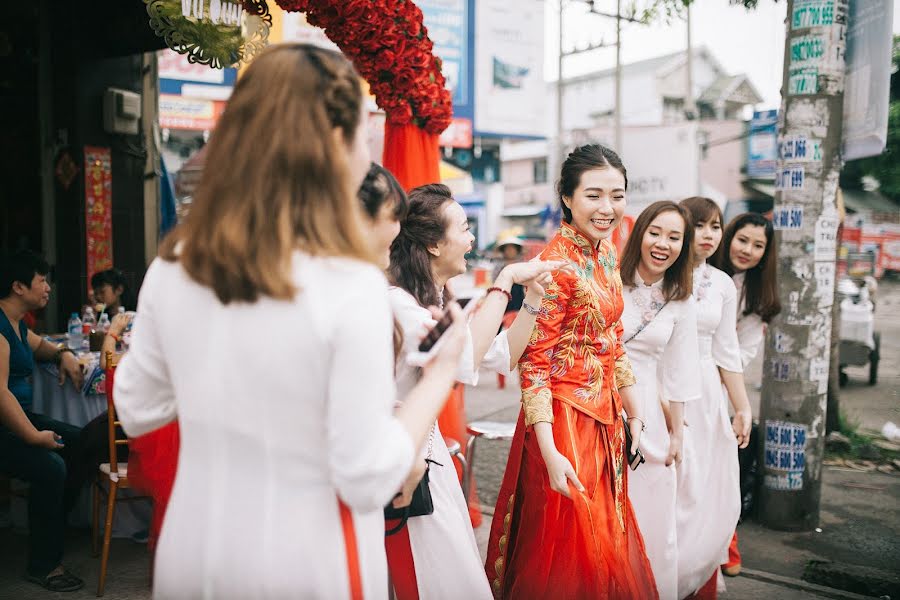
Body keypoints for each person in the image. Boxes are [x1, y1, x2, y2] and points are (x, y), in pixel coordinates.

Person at [112, 44, 468, 599]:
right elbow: (368, 473)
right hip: (308, 555)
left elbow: (137, 409)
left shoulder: (175, 266)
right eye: (358, 134)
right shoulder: (345, 285)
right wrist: (441, 374)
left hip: (196, 545)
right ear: (331, 145)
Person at [486, 144, 657, 599]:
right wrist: (549, 450)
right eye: (594, 196)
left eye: (617, 196)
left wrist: (635, 413)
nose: (607, 209)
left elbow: (613, 342)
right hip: (563, 424)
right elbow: (534, 366)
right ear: (566, 197)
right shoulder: (554, 265)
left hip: (606, 421)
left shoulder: (605, 251)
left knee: (606, 542)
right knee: (572, 553)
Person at [385, 182, 561, 600]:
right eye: (463, 228)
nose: (471, 239)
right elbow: (463, 363)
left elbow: (503, 354)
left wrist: (533, 299)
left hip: (432, 463)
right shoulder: (399, 305)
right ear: (431, 244)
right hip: (405, 472)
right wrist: (504, 282)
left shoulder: (433, 298)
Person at [619, 201, 701, 600]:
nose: (662, 244)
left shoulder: (682, 300)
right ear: (640, 234)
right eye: (656, 232)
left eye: (674, 237)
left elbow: (680, 372)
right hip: (597, 402)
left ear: (684, 247)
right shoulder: (607, 279)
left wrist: (676, 433)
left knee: (650, 512)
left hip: (649, 410)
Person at [675, 197, 752, 600]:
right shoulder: (656, 275)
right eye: (700, 225)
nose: (708, 235)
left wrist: (741, 407)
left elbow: (728, 351)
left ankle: (696, 578)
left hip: (706, 395)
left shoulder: (722, 283)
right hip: (662, 391)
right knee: (672, 489)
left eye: (715, 226)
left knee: (707, 489)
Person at [0, 249, 86, 592]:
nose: (47, 286)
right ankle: (43, 566)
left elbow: (42, 347)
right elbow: (1, 394)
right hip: (5, 424)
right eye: (41, 280)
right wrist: (35, 437)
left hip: (18, 419)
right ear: (19, 287)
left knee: (80, 443)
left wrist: (64, 354)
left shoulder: (16, 324)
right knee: (51, 466)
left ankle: (52, 525)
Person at [715, 212, 781, 578]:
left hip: (720, 386)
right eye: (743, 240)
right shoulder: (702, 272)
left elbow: (742, 352)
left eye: (759, 246)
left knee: (723, 468)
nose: (748, 250)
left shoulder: (757, 295)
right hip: (673, 379)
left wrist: (716, 371)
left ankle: (726, 538)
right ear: (728, 237)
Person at [491, 232, 526, 312]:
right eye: (508, 249)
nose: (510, 251)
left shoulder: (522, 265)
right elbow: (494, 282)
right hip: (503, 297)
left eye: (512, 248)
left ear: (517, 250)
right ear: (504, 251)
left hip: (519, 299)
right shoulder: (499, 266)